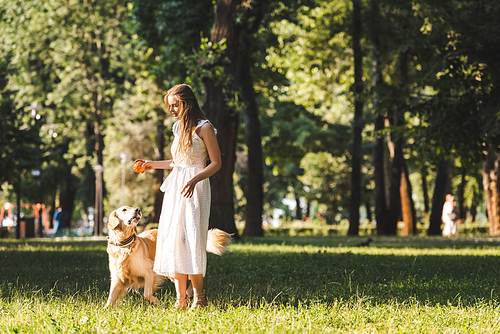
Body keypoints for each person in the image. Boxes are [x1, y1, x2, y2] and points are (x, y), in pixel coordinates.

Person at [135, 84, 221, 310]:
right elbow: (177, 162)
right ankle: (181, 298)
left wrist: (195, 180)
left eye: (175, 105)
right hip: (177, 187)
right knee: (175, 239)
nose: (172, 109)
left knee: (191, 239)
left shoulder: (204, 127)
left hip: (195, 186)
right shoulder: (177, 128)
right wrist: (151, 164)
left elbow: (216, 163)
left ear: (187, 102)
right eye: (169, 106)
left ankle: (200, 297)